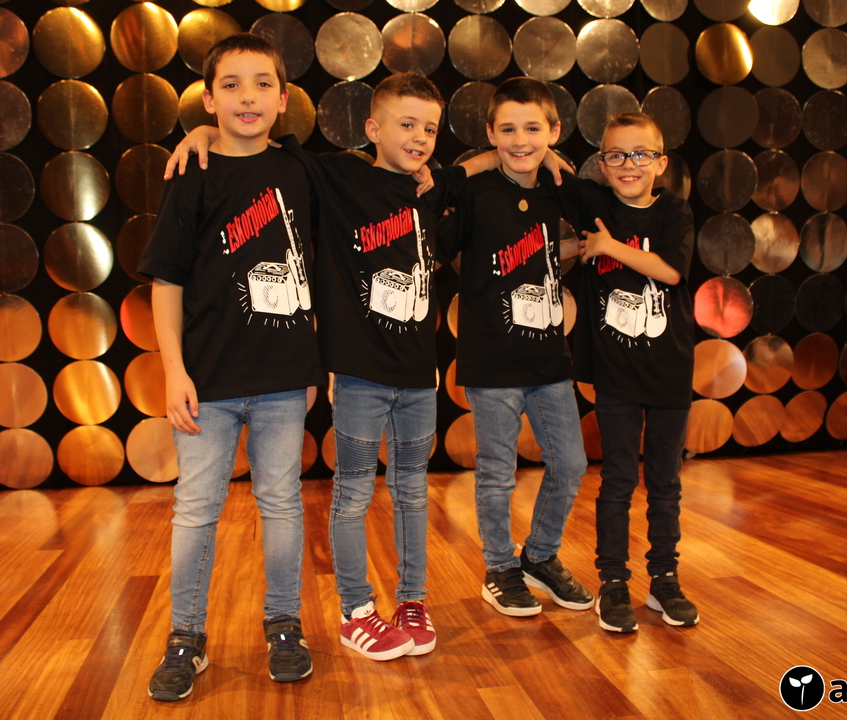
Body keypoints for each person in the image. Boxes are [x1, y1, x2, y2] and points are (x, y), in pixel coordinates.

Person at [169, 72, 480, 661]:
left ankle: (412, 601)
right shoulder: (335, 175)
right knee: (352, 494)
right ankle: (355, 609)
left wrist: (528, 154)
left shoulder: (433, 187)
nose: (419, 137)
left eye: (429, 129)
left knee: (413, 492)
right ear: (373, 129)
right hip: (358, 375)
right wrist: (204, 132)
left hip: (419, 378)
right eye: (406, 124)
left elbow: (478, 167)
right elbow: (260, 146)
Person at [139, 34, 323, 701]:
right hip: (207, 381)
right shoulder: (192, 171)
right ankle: (185, 637)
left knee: (281, 504)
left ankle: (284, 625)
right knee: (195, 509)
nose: (248, 97)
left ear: (284, 97)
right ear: (210, 98)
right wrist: (173, 371)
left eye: (262, 83)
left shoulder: (301, 169)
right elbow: (166, 280)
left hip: (283, 378)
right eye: (232, 84)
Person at [438, 77, 592, 618]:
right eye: (507, 129)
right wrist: (472, 170)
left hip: (548, 358)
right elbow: (435, 241)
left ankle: (540, 557)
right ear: (490, 134)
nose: (520, 140)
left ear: (554, 130)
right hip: (491, 360)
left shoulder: (559, 188)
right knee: (497, 473)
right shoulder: (475, 192)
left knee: (570, 464)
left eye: (532, 129)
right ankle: (499, 568)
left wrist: (562, 174)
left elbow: (598, 221)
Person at [559, 112, 699, 633]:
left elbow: (671, 271)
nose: (628, 164)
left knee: (664, 482)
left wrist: (607, 246)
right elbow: (545, 160)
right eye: (615, 155)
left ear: (661, 163)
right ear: (602, 163)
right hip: (615, 373)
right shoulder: (594, 204)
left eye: (641, 154)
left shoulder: (674, 210)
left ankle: (664, 578)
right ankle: (613, 582)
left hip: (669, 372)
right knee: (617, 480)